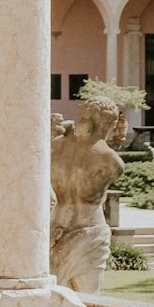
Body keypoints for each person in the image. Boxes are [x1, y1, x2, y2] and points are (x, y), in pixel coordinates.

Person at [49, 96, 125, 294]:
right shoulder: (112, 161)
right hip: (89, 228)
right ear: (110, 124)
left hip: (55, 227)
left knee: (52, 297)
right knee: (89, 303)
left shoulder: (56, 146)